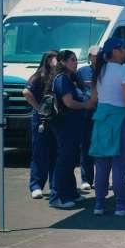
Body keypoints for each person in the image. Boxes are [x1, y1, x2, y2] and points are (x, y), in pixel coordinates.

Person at [89, 37, 125, 216]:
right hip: (121, 119)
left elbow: (93, 99)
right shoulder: (124, 70)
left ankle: (99, 204)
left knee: (101, 165)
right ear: (115, 51)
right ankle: (120, 205)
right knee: (120, 166)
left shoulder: (98, 70)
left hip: (101, 118)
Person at [48, 50, 96, 208]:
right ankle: (56, 197)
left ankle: (70, 193)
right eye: (72, 60)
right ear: (62, 62)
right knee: (64, 159)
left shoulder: (72, 77)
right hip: (64, 124)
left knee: (71, 159)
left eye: (76, 60)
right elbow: (68, 102)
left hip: (75, 124)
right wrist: (85, 105)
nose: (75, 62)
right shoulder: (61, 79)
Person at [23, 50, 58, 199]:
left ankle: (55, 185)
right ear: (48, 60)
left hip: (56, 120)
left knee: (55, 153)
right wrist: (38, 108)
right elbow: (26, 92)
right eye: (53, 58)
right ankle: (36, 185)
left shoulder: (58, 77)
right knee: (40, 153)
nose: (56, 61)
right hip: (41, 120)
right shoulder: (38, 76)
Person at [76, 45, 99, 192]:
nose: (97, 58)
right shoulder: (82, 72)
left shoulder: (107, 70)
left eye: (99, 55)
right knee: (86, 147)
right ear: (89, 57)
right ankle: (86, 179)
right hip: (87, 114)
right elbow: (77, 89)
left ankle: (100, 180)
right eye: (94, 55)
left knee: (102, 149)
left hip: (104, 114)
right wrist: (85, 100)